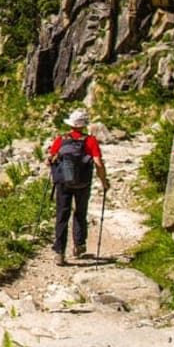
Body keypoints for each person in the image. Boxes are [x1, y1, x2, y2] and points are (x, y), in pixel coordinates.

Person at [47, 107, 109, 265]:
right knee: (80, 213)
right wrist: (104, 181)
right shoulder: (90, 141)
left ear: (71, 124)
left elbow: (50, 160)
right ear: (83, 125)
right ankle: (79, 245)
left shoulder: (61, 139)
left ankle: (60, 253)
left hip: (63, 182)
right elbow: (98, 163)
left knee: (62, 215)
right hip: (83, 182)